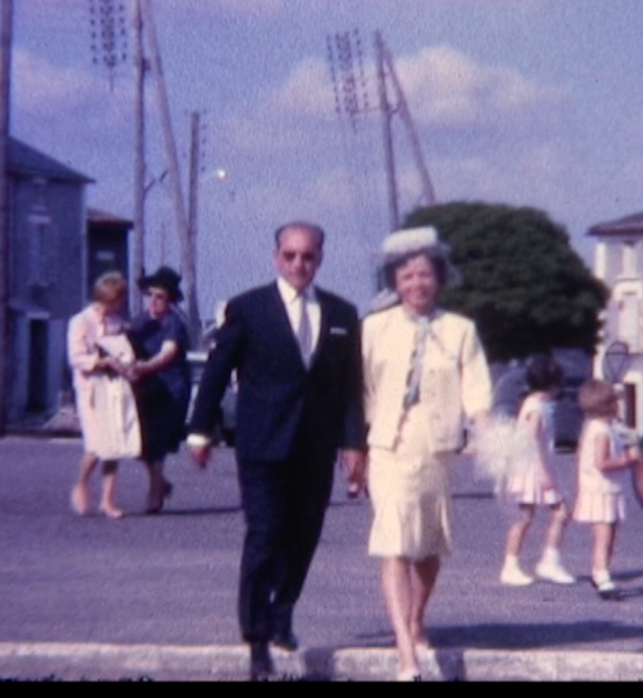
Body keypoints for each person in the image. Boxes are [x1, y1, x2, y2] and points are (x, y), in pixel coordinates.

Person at [187, 221, 365, 681]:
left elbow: (349, 388)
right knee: (265, 535)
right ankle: (256, 639)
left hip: (315, 444)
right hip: (263, 443)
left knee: (302, 536)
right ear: (275, 257)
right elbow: (217, 369)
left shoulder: (343, 313)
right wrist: (200, 429)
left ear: (320, 259)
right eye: (289, 255)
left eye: (307, 256)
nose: (298, 264)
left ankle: (283, 610)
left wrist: (352, 443)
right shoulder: (248, 308)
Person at [361, 226, 492, 681]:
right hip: (387, 447)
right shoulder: (374, 328)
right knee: (394, 543)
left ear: (438, 279)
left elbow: (477, 388)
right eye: (407, 276)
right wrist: (354, 448)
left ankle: (418, 619)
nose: (416, 283)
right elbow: (359, 390)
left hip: (436, 446)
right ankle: (406, 653)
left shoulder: (459, 331)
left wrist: (485, 428)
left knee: (428, 546)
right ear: (395, 283)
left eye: (424, 275)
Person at [67, 271, 142, 519]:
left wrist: (125, 364)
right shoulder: (80, 322)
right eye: (116, 300)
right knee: (96, 444)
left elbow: (125, 351)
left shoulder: (117, 323)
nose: (118, 305)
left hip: (114, 389)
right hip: (91, 390)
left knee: (114, 444)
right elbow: (77, 358)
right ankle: (81, 483)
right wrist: (102, 361)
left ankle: (107, 500)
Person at [499, 354, 575, 586]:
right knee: (531, 516)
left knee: (552, 513)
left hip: (537, 468)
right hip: (534, 470)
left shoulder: (537, 404)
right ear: (553, 383)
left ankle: (546, 561)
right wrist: (545, 476)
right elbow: (531, 442)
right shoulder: (536, 409)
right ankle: (514, 566)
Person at [129, 266, 191, 515]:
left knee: (156, 442)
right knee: (138, 444)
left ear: (170, 299)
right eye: (150, 295)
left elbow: (167, 355)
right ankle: (161, 483)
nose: (153, 301)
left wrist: (142, 367)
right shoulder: (141, 321)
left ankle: (154, 496)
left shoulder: (174, 323)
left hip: (169, 389)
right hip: (144, 388)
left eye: (160, 296)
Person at [573, 379, 640, 599]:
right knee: (604, 535)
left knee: (609, 533)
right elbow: (602, 463)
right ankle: (602, 577)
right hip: (601, 489)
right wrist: (627, 458)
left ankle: (600, 572)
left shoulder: (596, 427)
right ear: (609, 405)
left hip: (604, 489)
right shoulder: (601, 431)